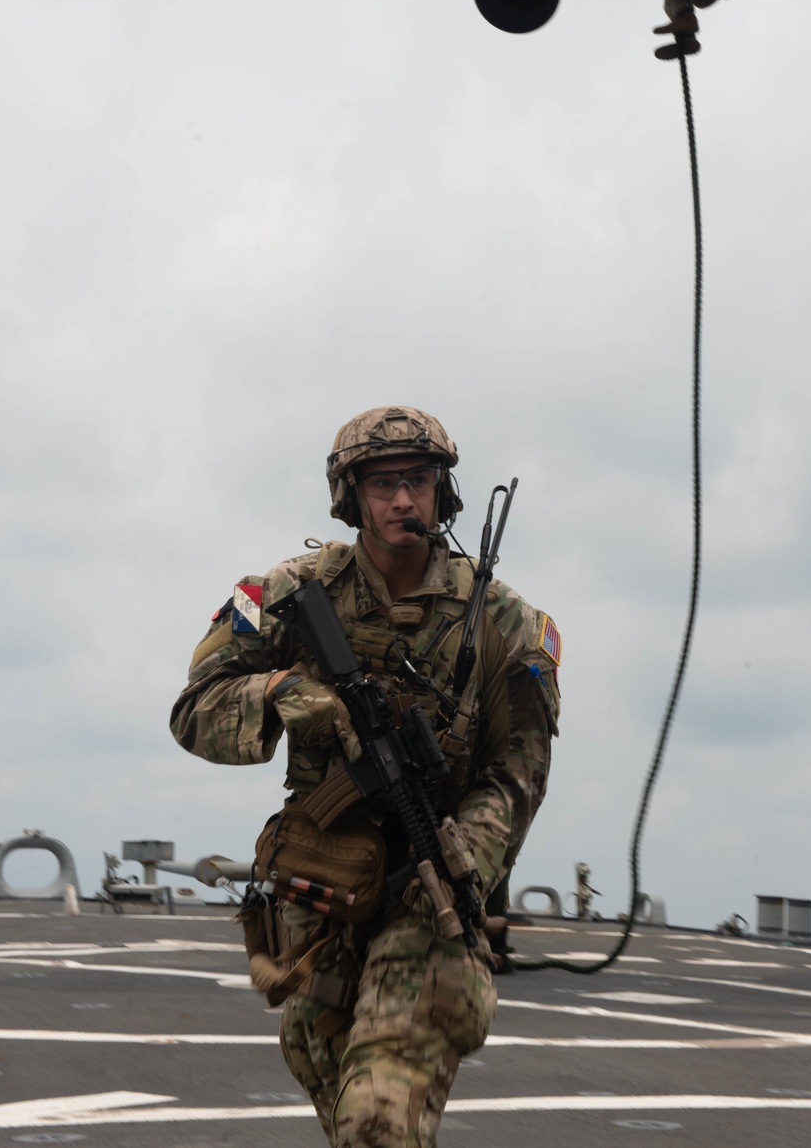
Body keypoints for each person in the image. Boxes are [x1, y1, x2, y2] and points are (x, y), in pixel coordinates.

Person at [170, 405, 560, 1148]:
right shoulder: (283, 595)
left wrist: (462, 857)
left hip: (431, 890)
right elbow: (194, 710)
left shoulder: (505, 621)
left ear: (444, 493)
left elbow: (521, 770)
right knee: (329, 1075)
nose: (403, 501)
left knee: (377, 1121)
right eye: (383, 484)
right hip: (323, 889)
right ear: (351, 497)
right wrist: (285, 695)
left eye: (418, 480)